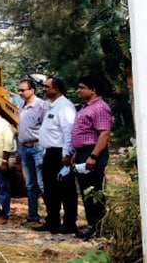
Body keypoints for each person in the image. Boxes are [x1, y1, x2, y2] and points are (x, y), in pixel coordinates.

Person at [70, 74, 113, 240]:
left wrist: (93, 156)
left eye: (82, 87)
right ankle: (92, 227)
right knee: (86, 191)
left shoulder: (100, 107)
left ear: (93, 90)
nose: (79, 90)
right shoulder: (85, 107)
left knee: (94, 191)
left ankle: (99, 229)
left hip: (93, 152)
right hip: (83, 153)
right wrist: (76, 153)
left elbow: (104, 134)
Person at [35, 76, 78, 234]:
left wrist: (67, 154)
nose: (44, 89)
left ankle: (69, 224)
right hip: (50, 153)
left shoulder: (65, 107)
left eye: (47, 86)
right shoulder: (52, 106)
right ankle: (52, 221)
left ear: (56, 89)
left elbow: (69, 132)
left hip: (61, 153)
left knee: (66, 191)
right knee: (51, 189)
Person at [16, 77, 47, 226]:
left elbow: (47, 127)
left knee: (42, 184)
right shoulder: (21, 106)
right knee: (30, 185)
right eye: (19, 90)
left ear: (32, 90)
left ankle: (52, 216)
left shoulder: (42, 106)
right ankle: (33, 216)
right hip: (25, 148)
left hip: (38, 148)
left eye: (23, 90)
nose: (20, 92)